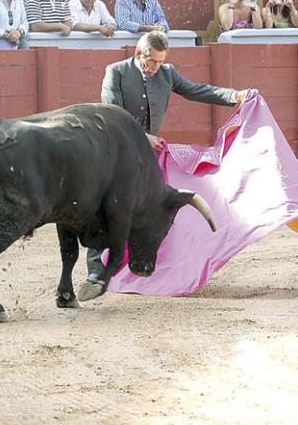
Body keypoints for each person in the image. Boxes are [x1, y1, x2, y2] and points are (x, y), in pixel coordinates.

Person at [84, 30, 251, 284]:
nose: (156, 67)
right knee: (106, 206)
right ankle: (95, 269)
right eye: (152, 61)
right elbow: (113, 114)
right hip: (113, 153)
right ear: (139, 53)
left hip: (143, 158)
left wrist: (234, 96)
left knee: (149, 209)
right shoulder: (116, 71)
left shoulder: (167, 73)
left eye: (161, 61)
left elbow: (196, 90)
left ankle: (145, 265)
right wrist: (143, 136)